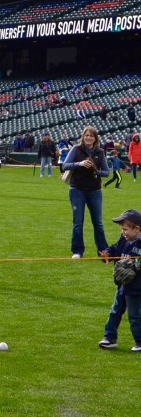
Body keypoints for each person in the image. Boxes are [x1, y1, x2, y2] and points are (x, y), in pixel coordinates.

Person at [63, 125, 111, 259]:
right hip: (77, 190)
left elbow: (106, 172)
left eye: (91, 136)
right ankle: (77, 251)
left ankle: (103, 251)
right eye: (86, 135)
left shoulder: (100, 152)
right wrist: (80, 163)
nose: (88, 138)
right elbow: (65, 165)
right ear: (83, 137)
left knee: (98, 223)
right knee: (78, 222)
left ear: (95, 138)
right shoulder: (76, 149)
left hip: (95, 191)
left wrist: (96, 171)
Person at [97, 209, 141, 352]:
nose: (123, 232)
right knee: (115, 311)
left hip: (136, 287)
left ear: (137, 229)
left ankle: (139, 341)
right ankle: (109, 338)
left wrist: (136, 265)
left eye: (125, 229)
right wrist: (107, 254)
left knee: (134, 316)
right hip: (122, 285)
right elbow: (115, 248)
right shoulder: (124, 239)